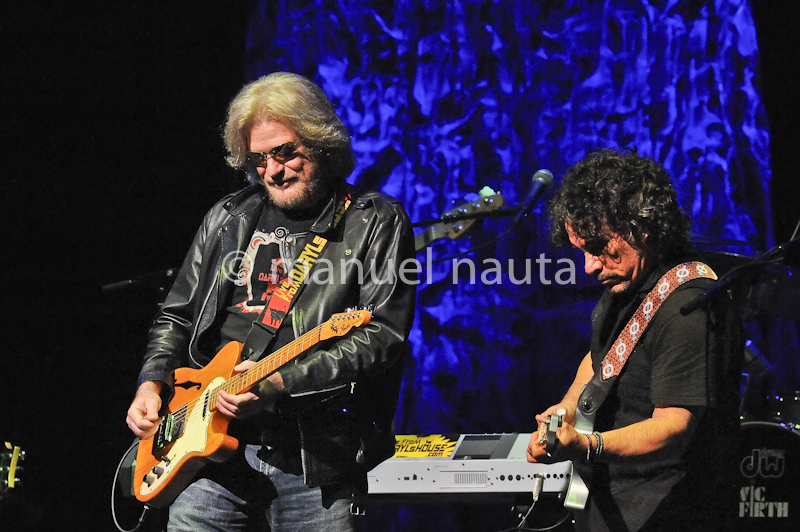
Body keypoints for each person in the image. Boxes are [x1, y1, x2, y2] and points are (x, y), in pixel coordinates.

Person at [125, 72, 416, 532]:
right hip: (205, 458)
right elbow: (176, 313)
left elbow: (382, 335)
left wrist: (282, 384)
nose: (273, 171)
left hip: (314, 458)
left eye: (285, 152)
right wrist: (152, 381)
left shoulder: (375, 221)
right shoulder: (227, 217)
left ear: (321, 141)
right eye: (259, 159)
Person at [526, 148, 743, 531]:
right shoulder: (630, 282)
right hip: (613, 507)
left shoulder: (687, 306)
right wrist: (561, 416)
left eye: (598, 249)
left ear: (641, 228)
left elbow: (673, 428)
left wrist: (588, 446)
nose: (590, 266)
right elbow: (598, 362)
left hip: (668, 514)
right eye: (583, 252)